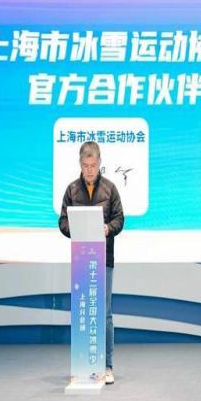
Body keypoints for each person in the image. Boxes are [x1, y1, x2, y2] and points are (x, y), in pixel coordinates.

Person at [58, 141, 124, 385]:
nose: (89, 170)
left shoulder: (110, 188)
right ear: (80, 164)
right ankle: (82, 366)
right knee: (82, 311)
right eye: (85, 165)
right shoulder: (72, 190)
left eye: (93, 165)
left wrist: (107, 228)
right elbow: (62, 222)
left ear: (99, 164)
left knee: (104, 313)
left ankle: (107, 366)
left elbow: (120, 218)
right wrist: (75, 229)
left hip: (103, 258)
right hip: (81, 260)